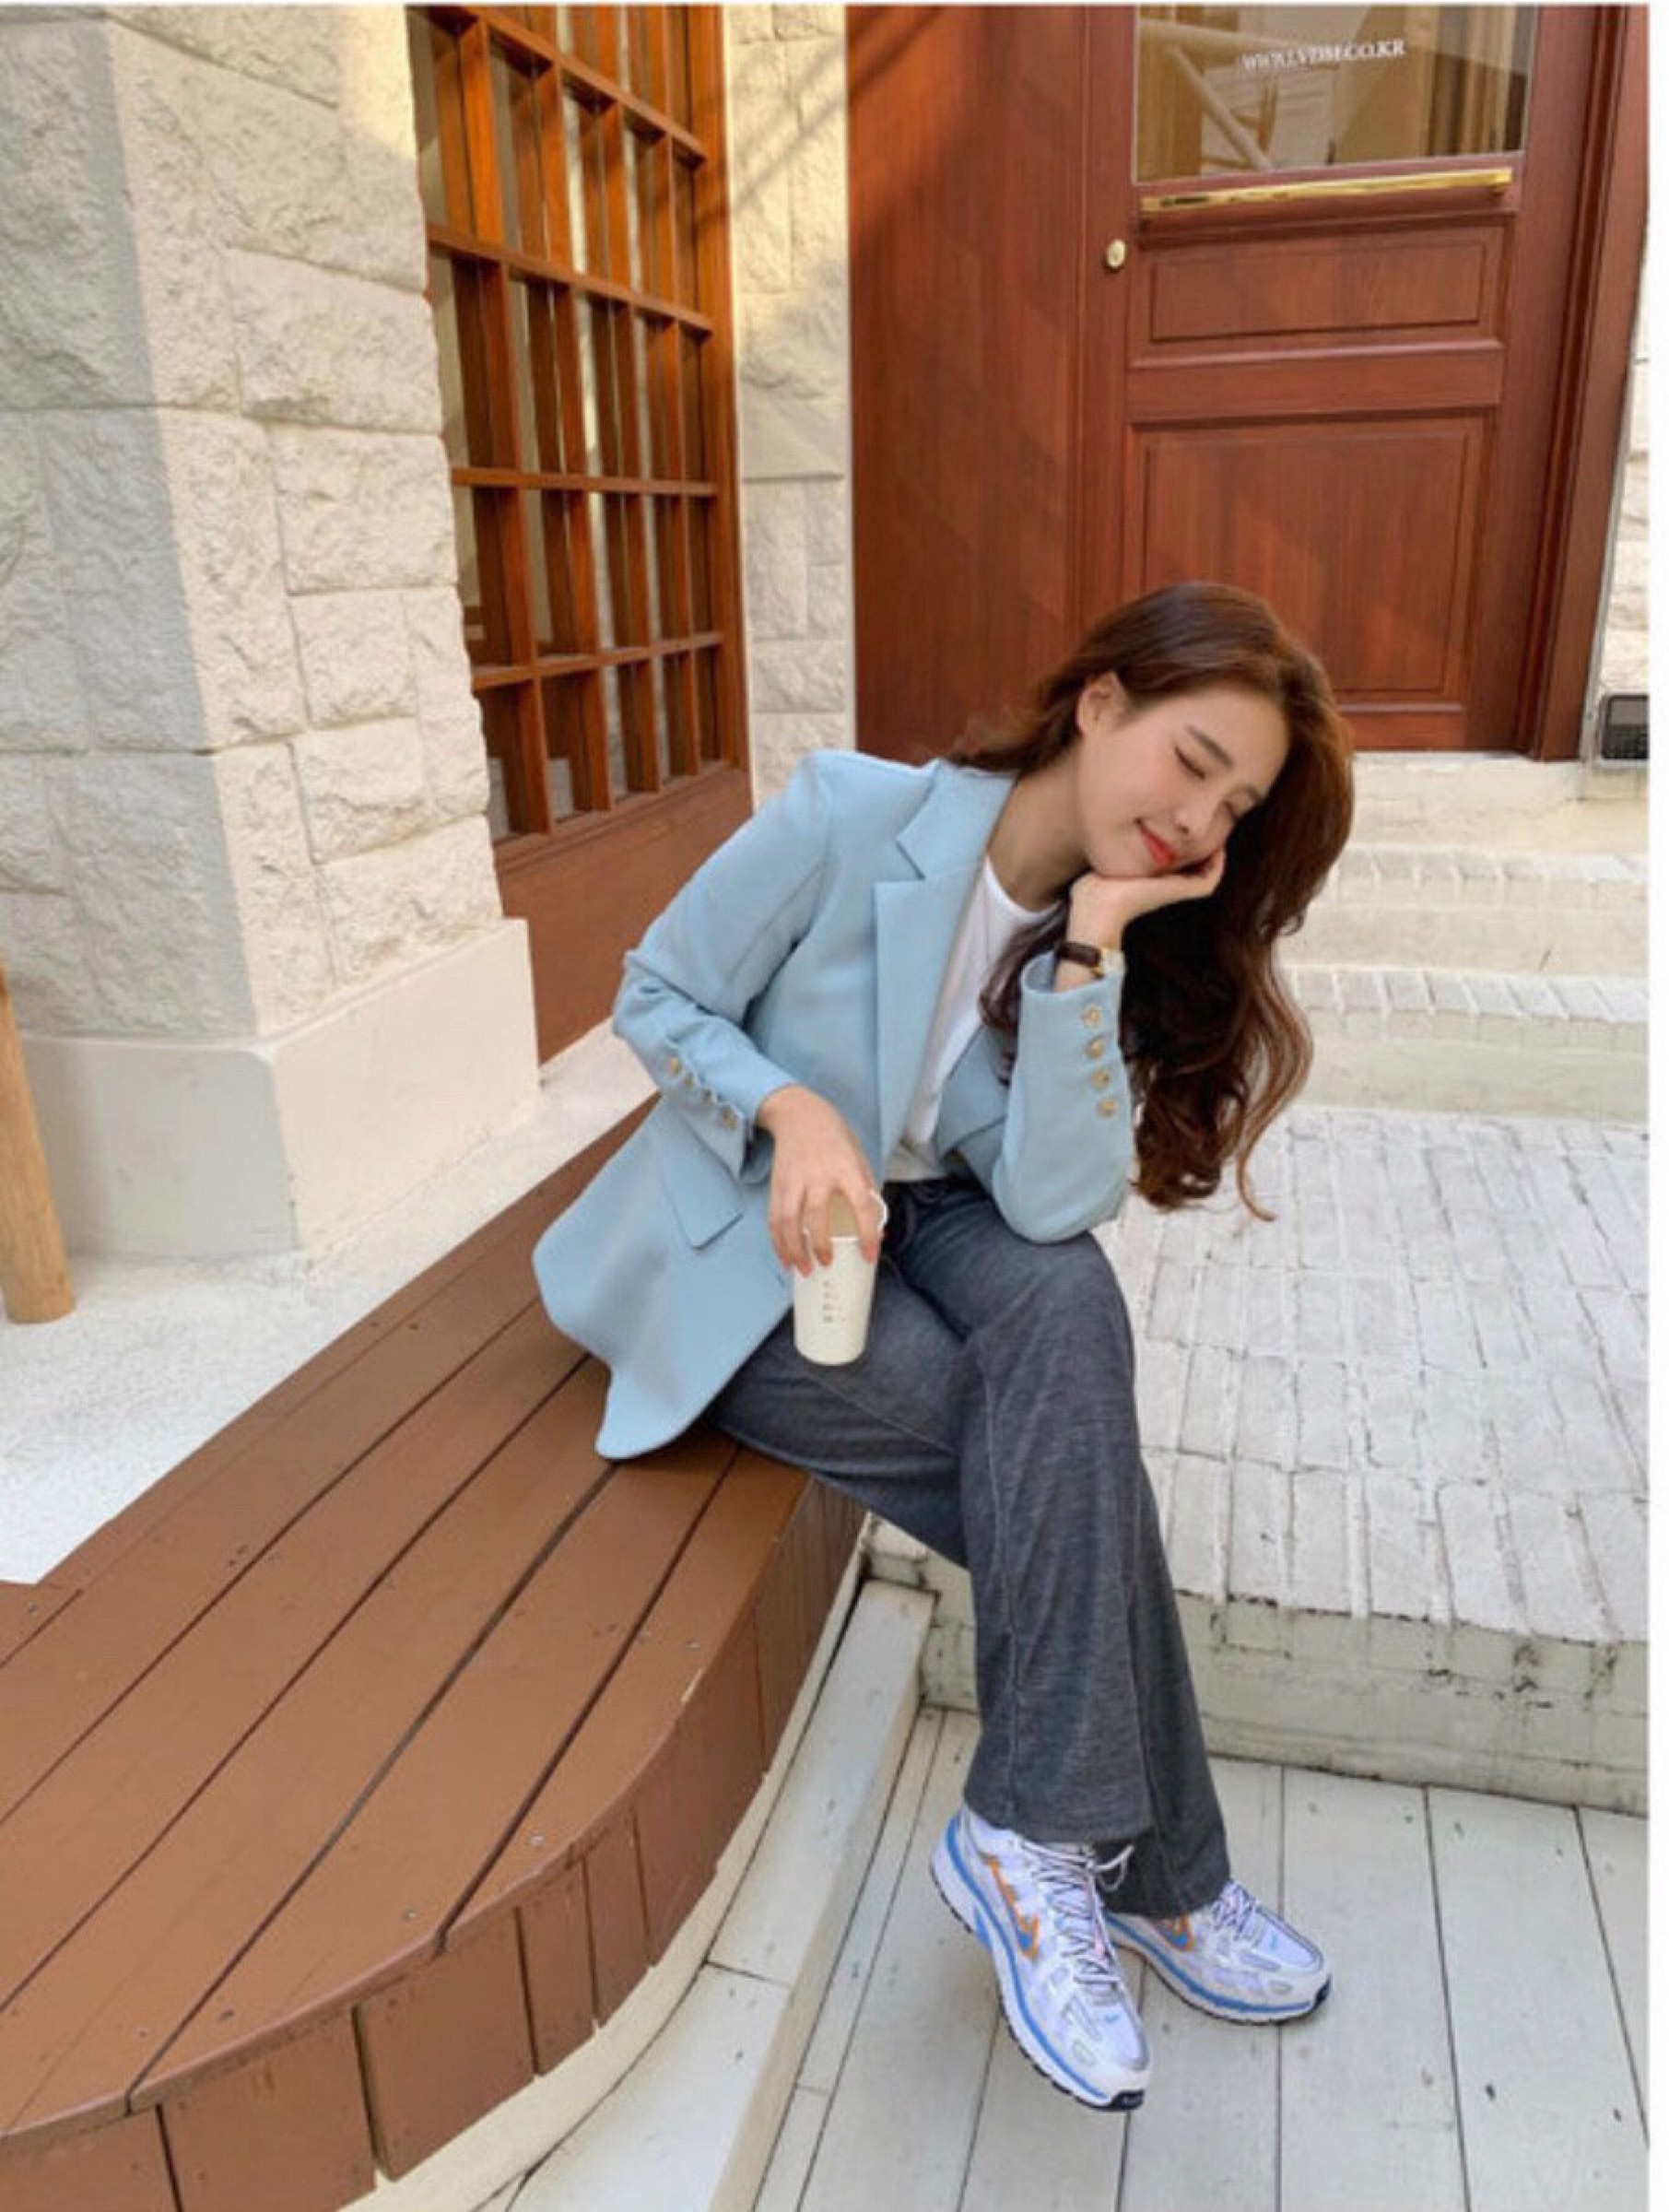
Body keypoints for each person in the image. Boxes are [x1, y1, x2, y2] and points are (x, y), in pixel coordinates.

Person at [533, 579, 1356, 2112]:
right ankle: (1160, 1878)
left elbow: (1049, 1203)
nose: (1197, 819)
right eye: (1191, 760)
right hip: (757, 1247)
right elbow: (657, 993)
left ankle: (1030, 1830)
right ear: (1100, 702)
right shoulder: (853, 816)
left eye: (1233, 808)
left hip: (938, 1217)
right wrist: (789, 1109)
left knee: (1069, 1306)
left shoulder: (1097, 929)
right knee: (1073, 1484)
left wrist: (1091, 946)